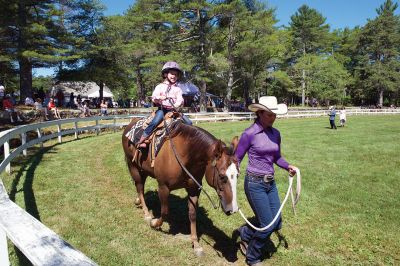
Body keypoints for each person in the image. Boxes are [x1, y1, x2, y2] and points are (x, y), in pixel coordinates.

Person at [233, 96, 297, 266]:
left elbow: (277, 157)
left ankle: (245, 232)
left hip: (270, 183)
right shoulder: (249, 134)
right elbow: (236, 158)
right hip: (254, 184)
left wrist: (287, 166)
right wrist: (234, 172)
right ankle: (253, 257)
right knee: (267, 225)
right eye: (269, 114)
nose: (273, 117)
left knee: (277, 223)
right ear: (260, 113)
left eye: (274, 114)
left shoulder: (276, 134)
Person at [137, 61, 192, 148]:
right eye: (172, 74)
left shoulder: (178, 89)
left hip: (173, 110)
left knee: (189, 122)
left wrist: (176, 105)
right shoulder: (160, 86)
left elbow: (180, 100)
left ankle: (188, 141)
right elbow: (154, 97)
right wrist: (159, 98)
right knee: (155, 122)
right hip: (162, 110)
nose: (173, 76)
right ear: (166, 74)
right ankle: (142, 139)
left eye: (176, 74)